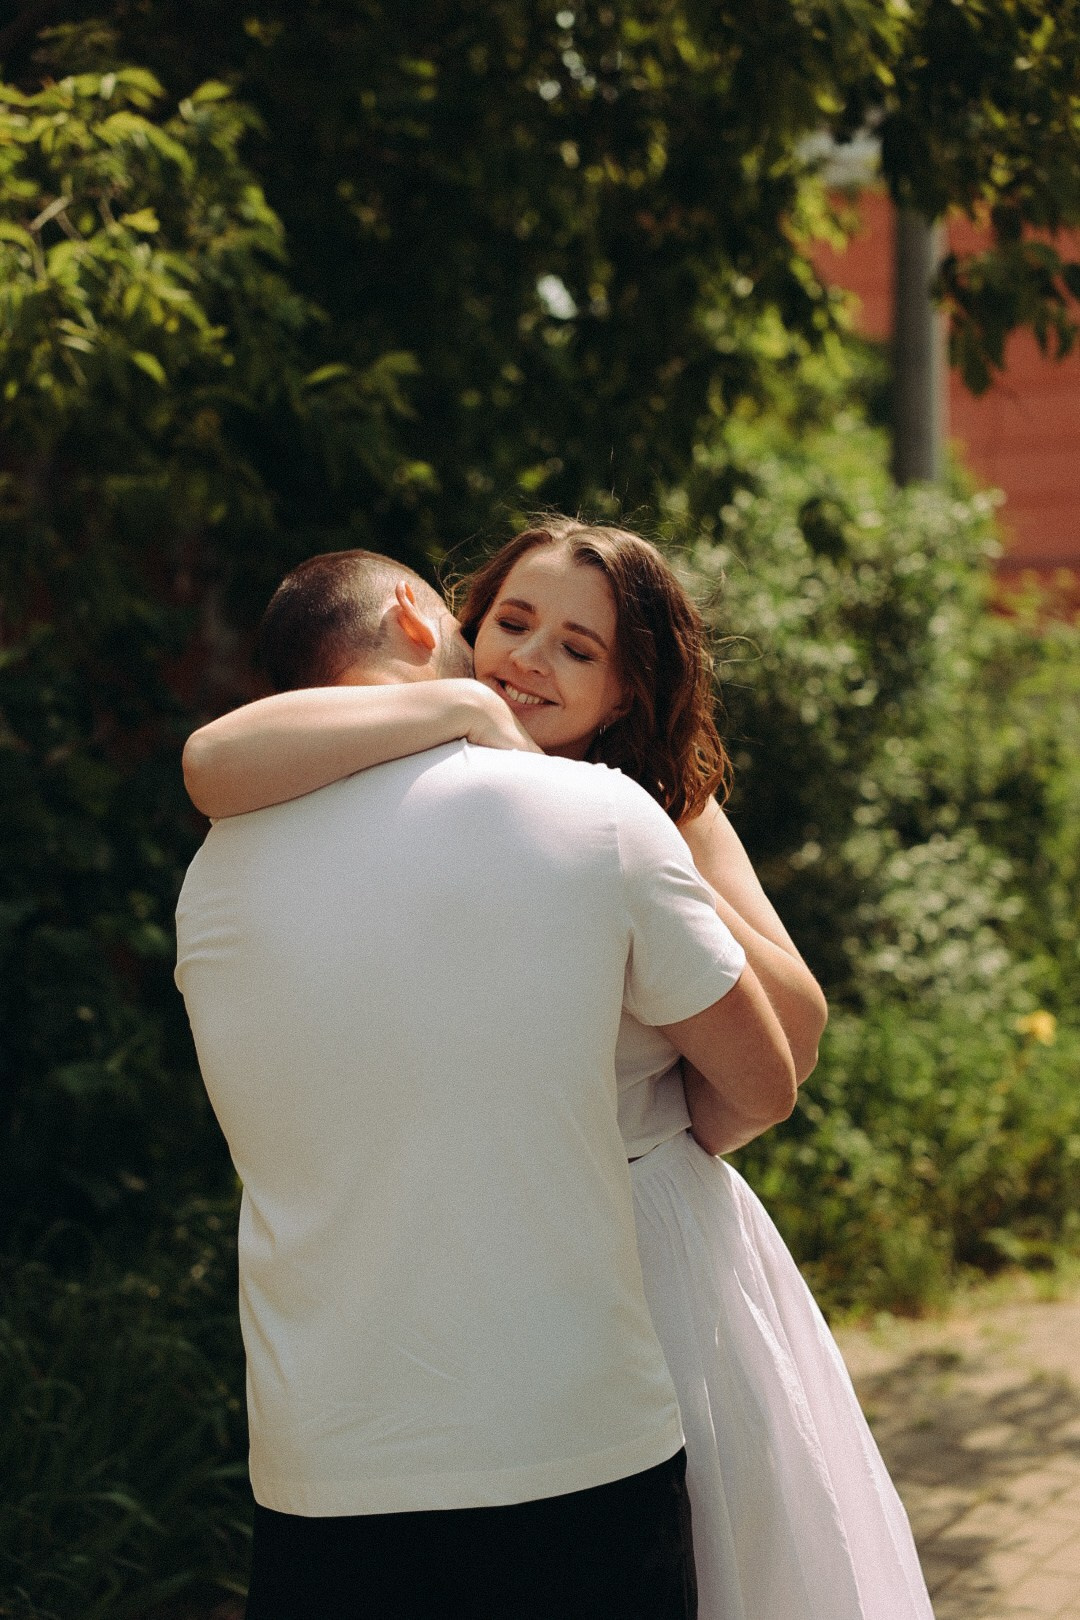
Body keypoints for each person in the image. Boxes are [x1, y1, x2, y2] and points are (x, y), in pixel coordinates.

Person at [184, 519, 936, 1620]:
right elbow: (212, 762)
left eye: (579, 650)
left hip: (645, 1229)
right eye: (514, 624)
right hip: (522, 1298)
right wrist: (465, 711)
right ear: (454, 625)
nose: (531, 660)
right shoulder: (396, 749)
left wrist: (654, 874)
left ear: (627, 693)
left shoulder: (655, 807)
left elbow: (784, 1045)